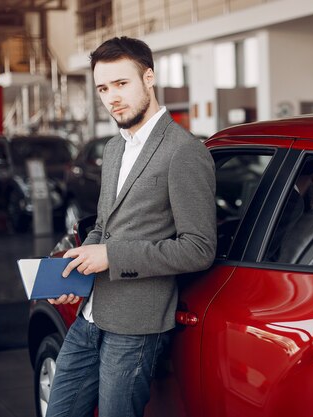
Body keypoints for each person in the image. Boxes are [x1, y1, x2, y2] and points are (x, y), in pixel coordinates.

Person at [45, 36, 216, 417]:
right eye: (103, 88)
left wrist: (110, 256)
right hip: (90, 314)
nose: (111, 98)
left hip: (136, 326)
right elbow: (104, 226)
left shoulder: (184, 151)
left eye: (122, 84)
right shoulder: (114, 148)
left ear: (149, 78)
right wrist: (73, 277)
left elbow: (199, 247)